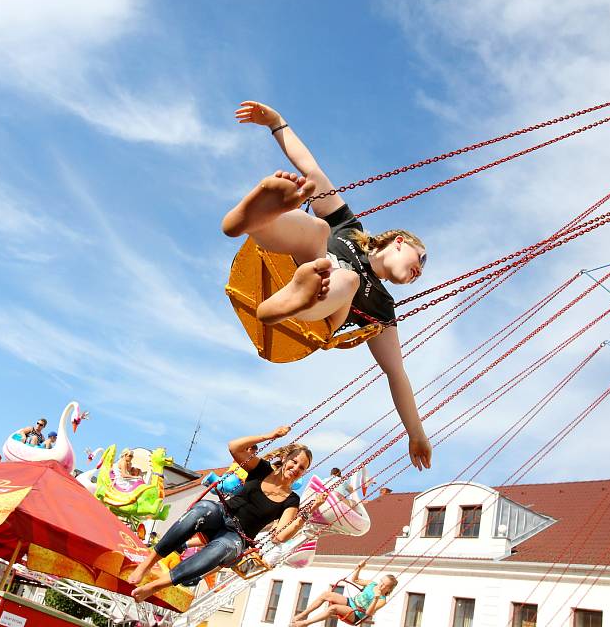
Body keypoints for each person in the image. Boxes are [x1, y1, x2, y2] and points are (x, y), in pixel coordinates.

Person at [223, 101, 432, 471]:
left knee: (347, 278)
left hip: (310, 319)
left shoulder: (383, 306)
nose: (419, 272)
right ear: (398, 240)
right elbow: (311, 169)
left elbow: (397, 374)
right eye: (420, 260)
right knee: (320, 229)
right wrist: (277, 123)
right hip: (284, 270)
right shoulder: (350, 228)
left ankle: (298, 296)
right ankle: (251, 219)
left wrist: (415, 432)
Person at [127, 426, 327, 602]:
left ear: (303, 473)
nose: (295, 468)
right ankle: (146, 564)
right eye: (294, 462)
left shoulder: (291, 500)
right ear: (285, 459)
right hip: (221, 514)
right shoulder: (261, 469)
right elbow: (234, 447)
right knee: (204, 509)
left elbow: (281, 535)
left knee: (219, 550)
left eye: (302, 468)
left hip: (237, 537)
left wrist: (306, 514)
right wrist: (270, 435)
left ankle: (155, 586)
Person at [291, 560, 397, 626]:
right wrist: (359, 568)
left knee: (333, 608)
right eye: (381, 582)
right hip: (351, 601)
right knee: (326, 594)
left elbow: (369, 613)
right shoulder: (372, 584)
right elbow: (355, 580)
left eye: (384, 585)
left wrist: (376, 598)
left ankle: (305, 623)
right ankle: (303, 614)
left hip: (355, 613)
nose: (380, 585)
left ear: (388, 589)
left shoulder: (382, 600)